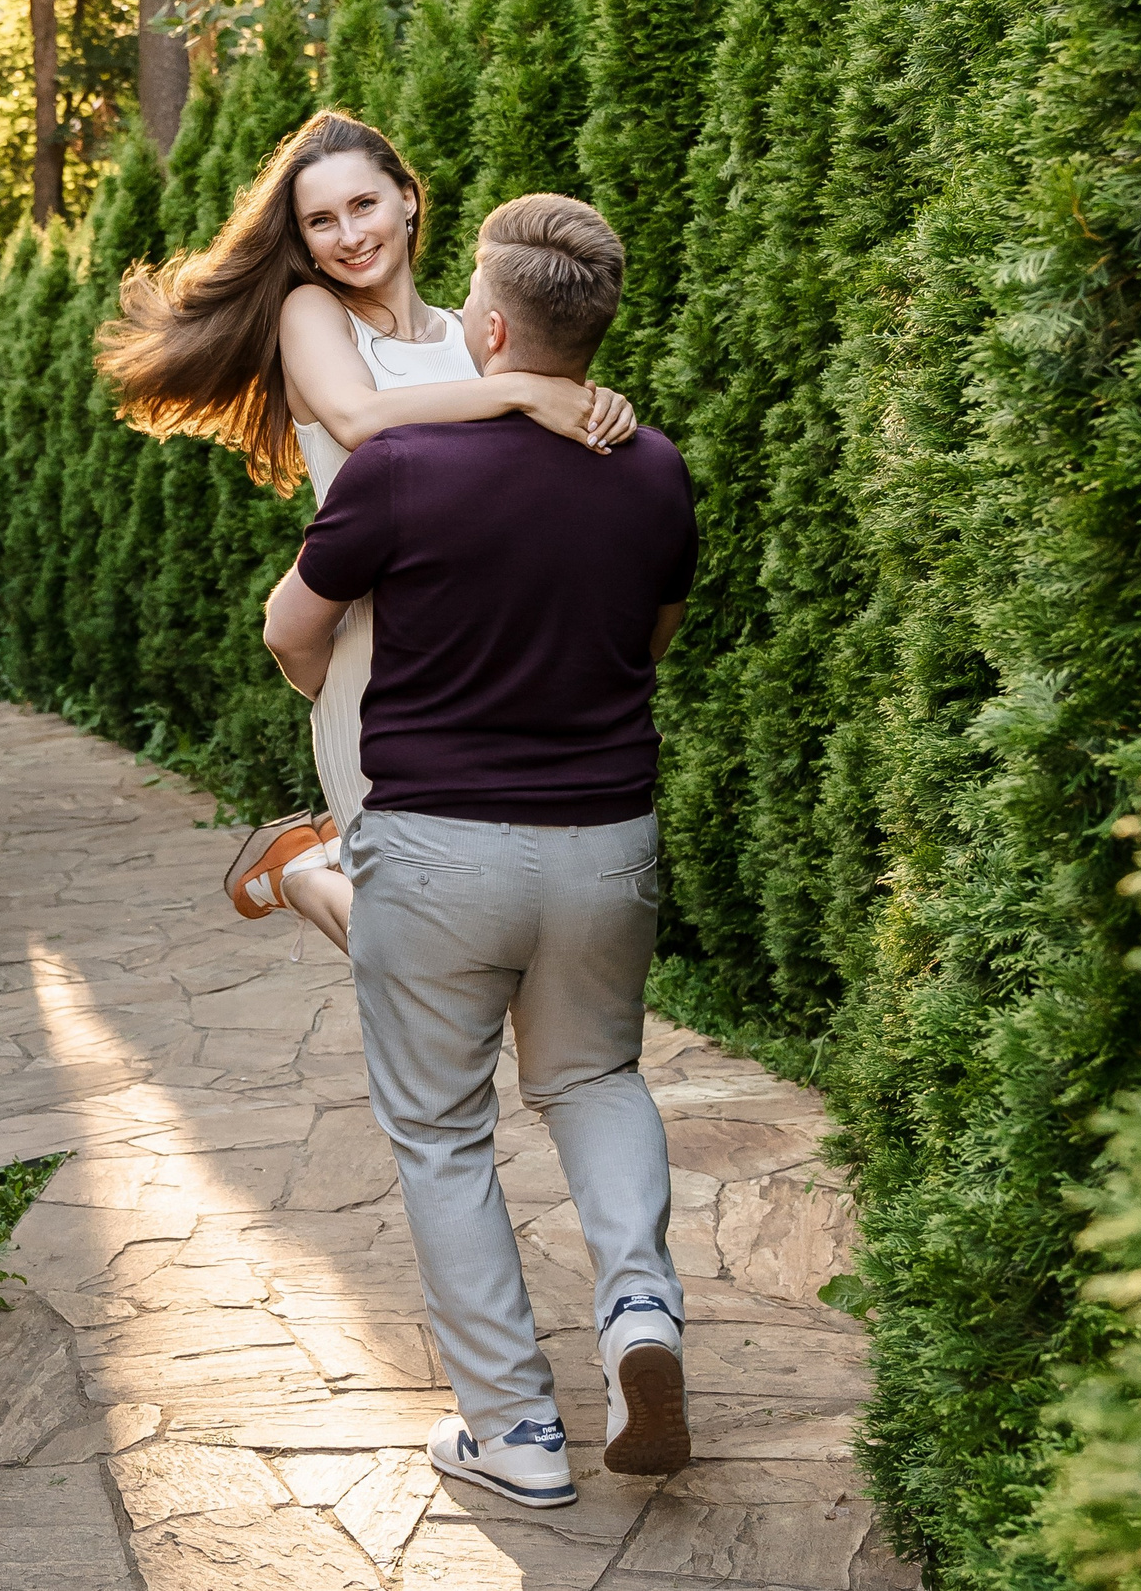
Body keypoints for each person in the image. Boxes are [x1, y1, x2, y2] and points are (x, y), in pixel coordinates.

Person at [261, 193, 697, 1506]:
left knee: (445, 1133)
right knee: (596, 1078)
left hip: (438, 845)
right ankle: (639, 1311)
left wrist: (342, 692)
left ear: (492, 328)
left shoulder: (402, 466)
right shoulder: (656, 468)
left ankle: (514, 1430)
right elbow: (651, 641)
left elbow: (290, 628)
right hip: (605, 842)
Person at [96, 110, 637, 952]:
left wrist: (599, 404)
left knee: (478, 949)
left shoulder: (469, 335)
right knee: (422, 951)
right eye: (321, 221)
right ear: (303, 242)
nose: (349, 236)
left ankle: (319, 860)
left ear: (408, 200)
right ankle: (302, 872)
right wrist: (523, 391)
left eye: (364, 205)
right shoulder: (313, 314)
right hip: (374, 670)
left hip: (480, 669)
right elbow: (357, 419)